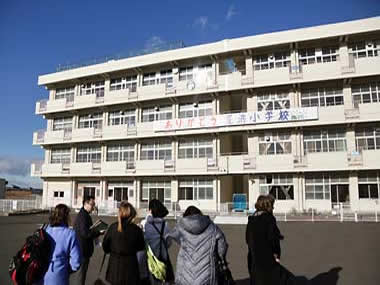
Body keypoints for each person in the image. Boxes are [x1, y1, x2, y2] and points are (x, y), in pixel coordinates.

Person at [167, 206, 228, 285]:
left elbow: (171, 236)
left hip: (185, 273)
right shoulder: (212, 227)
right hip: (207, 273)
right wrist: (219, 256)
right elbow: (222, 247)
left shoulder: (180, 227)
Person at [102, 201, 145, 285]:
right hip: (131, 267)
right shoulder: (136, 230)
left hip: (115, 267)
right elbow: (141, 247)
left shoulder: (113, 227)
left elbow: (105, 247)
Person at [37, 204, 81, 285]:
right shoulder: (70, 234)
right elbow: (76, 262)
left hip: (39, 275)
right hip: (58, 276)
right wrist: (67, 270)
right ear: (66, 217)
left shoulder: (44, 229)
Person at [246, 195, 284, 285]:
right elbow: (273, 240)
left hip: (253, 259)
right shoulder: (269, 219)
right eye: (272, 205)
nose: (273, 207)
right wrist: (276, 256)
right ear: (267, 205)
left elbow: (247, 239)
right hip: (268, 260)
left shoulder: (251, 220)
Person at [72, 196, 102, 285]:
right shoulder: (83, 216)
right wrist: (97, 232)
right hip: (82, 250)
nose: (93, 207)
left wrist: (95, 229)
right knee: (80, 276)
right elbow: (85, 233)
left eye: (94, 205)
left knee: (82, 275)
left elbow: (87, 230)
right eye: (92, 204)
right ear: (85, 204)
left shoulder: (85, 215)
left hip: (83, 250)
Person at [142, 199, 174, 284]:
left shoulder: (145, 224)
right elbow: (169, 242)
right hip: (162, 257)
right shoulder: (165, 225)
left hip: (149, 259)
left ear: (150, 210)